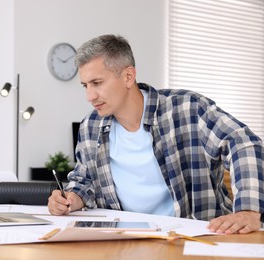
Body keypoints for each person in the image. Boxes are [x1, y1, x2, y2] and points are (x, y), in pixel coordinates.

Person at [48, 34, 264, 234]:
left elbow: (244, 143)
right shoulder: (90, 126)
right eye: (85, 85)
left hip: (194, 237)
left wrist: (248, 210)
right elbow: (84, 180)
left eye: (97, 83)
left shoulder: (188, 109)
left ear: (128, 76)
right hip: (123, 239)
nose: (89, 95)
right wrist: (72, 198)